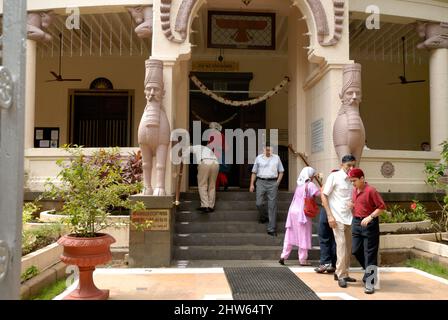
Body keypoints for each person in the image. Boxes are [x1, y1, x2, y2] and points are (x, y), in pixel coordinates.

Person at [348, 168, 386, 294]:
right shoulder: (354, 190)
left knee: (369, 254)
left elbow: (382, 207)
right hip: (356, 223)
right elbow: (357, 204)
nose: (353, 183)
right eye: (351, 181)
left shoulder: (371, 190)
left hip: (369, 224)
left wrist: (370, 217)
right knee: (355, 250)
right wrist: (352, 206)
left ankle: (370, 282)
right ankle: (370, 272)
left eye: (354, 180)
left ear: (362, 178)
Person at [321, 154, 356, 288]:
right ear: (342, 165)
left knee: (348, 248)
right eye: (348, 165)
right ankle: (341, 275)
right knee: (341, 247)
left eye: (353, 165)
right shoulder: (334, 177)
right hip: (337, 218)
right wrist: (330, 216)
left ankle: (343, 273)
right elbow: (324, 195)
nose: (351, 168)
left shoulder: (353, 180)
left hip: (349, 218)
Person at [279, 167, 320, 266]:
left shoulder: (299, 185)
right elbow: (319, 194)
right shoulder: (310, 185)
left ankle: (283, 256)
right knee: (303, 236)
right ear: (310, 175)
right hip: (302, 213)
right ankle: (303, 260)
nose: (314, 177)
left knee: (289, 235)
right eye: (313, 175)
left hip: (293, 212)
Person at [249, 145, 284, 236]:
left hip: (272, 183)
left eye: (270, 150)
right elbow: (254, 172)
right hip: (260, 182)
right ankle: (264, 216)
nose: (268, 151)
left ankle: (271, 229)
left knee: (272, 206)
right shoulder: (258, 158)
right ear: (263, 149)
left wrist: (277, 183)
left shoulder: (277, 158)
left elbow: (281, 171)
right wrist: (252, 184)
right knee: (259, 203)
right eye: (266, 149)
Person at [314, 169, 339, 275]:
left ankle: (325, 262)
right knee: (334, 240)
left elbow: (322, 196)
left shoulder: (328, 184)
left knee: (324, 238)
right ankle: (332, 264)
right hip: (338, 213)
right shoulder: (341, 185)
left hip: (327, 212)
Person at [184, 144, 219, 213]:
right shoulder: (207, 149)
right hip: (215, 162)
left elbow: (187, 150)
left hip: (205, 162)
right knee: (212, 185)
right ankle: (211, 206)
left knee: (202, 184)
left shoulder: (196, 147)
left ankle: (205, 205)